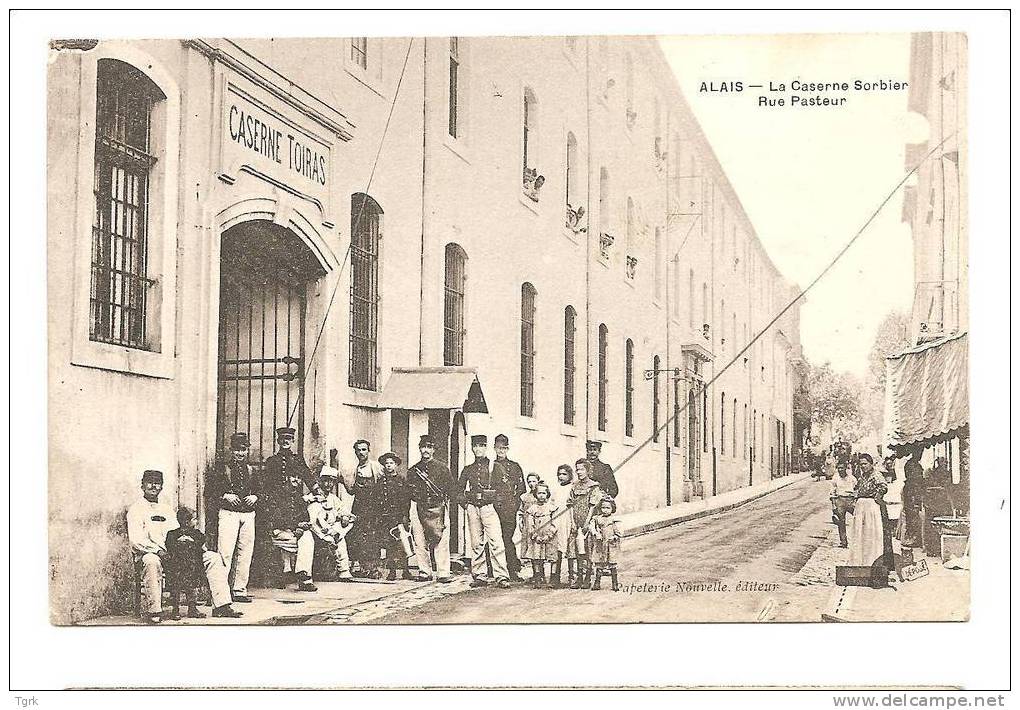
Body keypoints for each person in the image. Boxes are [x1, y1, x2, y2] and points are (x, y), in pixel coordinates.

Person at [127, 470, 241, 624]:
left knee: (213, 558)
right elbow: (137, 541)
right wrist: (158, 551)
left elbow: (178, 532)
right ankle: (154, 610)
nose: (154, 486)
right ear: (142, 486)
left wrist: (194, 546)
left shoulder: (166, 508)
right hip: (151, 553)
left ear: (161, 486)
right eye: (150, 482)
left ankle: (222, 605)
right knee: (151, 562)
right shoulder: (136, 510)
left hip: (175, 552)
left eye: (158, 483)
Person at [458, 434, 512, 589]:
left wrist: (496, 503)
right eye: (475, 446)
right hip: (473, 508)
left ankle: (501, 576)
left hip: (489, 507)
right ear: (472, 448)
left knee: (496, 542)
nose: (478, 449)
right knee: (476, 543)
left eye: (481, 446)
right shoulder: (468, 469)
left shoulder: (495, 466)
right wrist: (467, 505)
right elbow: (458, 491)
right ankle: (479, 575)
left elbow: (505, 489)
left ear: (486, 447)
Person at [210, 431, 258, 603]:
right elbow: (211, 492)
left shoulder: (252, 470)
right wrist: (224, 495)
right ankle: (220, 592)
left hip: (248, 515)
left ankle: (239, 590)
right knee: (226, 553)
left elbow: (260, 491)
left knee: (245, 553)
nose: (240, 453)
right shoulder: (222, 468)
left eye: (243, 450)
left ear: (247, 451)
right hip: (228, 514)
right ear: (231, 450)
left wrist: (255, 497)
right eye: (237, 450)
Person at [406, 435, 457, 583]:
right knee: (420, 540)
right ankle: (424, 571)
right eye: (423, 447)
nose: (426, 450)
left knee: (441, 539)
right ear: (420, 449)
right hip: (419, 507)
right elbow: (408, 493)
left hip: (438, 507)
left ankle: (443, 572)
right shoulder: (413, 471)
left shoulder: (442, 469)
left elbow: (451, 490)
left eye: (429, 447)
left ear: (434, 449)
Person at [265, 467, 317, 592]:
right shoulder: (277, 494)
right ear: (287, 478)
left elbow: (305, 515)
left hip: (294, 531)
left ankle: (302, 574)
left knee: (308, 537)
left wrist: (303, 524)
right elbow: (276, 518)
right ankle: (301, 576)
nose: (297, 480)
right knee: (300, 541)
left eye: (299, 478)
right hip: (280, 531)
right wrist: (297, 526)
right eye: (294, 477)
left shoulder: (298, 496)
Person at [848, 453, 890, 583]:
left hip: (871, 507)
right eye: (861, 464)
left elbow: (884, 486)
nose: (863, 466)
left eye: (865, 464)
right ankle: (861, 562)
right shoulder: (862, 476)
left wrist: (877, 497)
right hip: (861, 508)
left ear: (871, 464)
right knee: (860, 535)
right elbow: (857, 489)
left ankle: (872, 562)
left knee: (871, 534)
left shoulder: (876, 475)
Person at [346, 440, 385, 579]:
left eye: (364, 450)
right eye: (358, 450)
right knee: (358, 537)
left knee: (373, 537)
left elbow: (383, 486)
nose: (361, 453)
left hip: (373, 507)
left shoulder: (376, 467)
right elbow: (351, 491)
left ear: (369, 451)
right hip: (359, 507)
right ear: (355, 452)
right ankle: (363, 568)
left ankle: (374, 569)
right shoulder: (355, 470)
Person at [306, 472, 355, 582]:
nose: (328, 484)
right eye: (326, 481)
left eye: (331, 482)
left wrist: (344, 516)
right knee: (331, 539)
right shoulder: (313, 497)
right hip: (318, 531)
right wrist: (327, 533)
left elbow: (343, 510)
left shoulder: (333, 498)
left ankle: (344, 570)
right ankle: (333, 570)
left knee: (340, 538)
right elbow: (313, 520)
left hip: (333, 530)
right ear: (319, 482)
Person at [492, 434, 527, 582]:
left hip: (509, 508)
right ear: (494, 448)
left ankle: (512, 569)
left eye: (504, 448)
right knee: (494, 539)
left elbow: (521, 489)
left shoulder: (514, 466)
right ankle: (493, 570)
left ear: (507, 449)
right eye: (498, 447)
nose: (501, 450)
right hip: (493, 507)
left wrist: (514, 504)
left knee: (507, 538)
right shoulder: (490, 466)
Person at [164, 507, 209, 620]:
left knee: (191, 587)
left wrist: (191, 542)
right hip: (177, 568)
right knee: (176, 586)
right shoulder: (172, 534)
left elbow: (201, 544)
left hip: (192, 568)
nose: (196, 521)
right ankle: (175, 610)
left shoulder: (196, 534)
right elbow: (169, 546)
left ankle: (192, 609)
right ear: (186, 522)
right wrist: (180, 542)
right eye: (194, 519)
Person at [567, 458, 605, 589]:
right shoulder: (574, 486)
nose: (579, 472)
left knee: (588, 550)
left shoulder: (594, 486)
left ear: (588, 470)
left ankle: (588, 577)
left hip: (588, 522)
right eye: (577, 469)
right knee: (578, 551)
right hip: (576, 522)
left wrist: (587, 522)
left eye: (582, 469)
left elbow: (593, 506)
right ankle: (579, 577)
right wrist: (572, 522)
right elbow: (570, 505)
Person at [376, 452, 414, 581]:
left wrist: (405, 516)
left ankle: (406, 570)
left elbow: (406, 499)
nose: (389, 466)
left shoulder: (401, 480)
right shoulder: (381, 481)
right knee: (389, 545)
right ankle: (392, 571)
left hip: (399, 516)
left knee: (403, 542)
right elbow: (378, 499)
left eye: (391, 463)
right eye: (386, 463)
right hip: (386, 517)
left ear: (396, 465)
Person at [521, 482, 560, 588]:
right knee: (536, 557)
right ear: (535, 494)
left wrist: (549, 535)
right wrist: (535, 536)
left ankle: (552, 578)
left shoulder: (552, 508)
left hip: (550, 538)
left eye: (544, 493)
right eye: (539, 493)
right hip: (537, 538)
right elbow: (530, 525)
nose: (541, 495)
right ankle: (538, 578)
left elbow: (555, 523)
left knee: (552, 558)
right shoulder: (532, 509)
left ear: (547, 494)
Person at [547, 464, 574, 588]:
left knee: (570, 548)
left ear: (570, 475)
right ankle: (555, 577)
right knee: (557, 547)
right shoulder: (556, 489)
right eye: (560, 474)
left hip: (569, 518)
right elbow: (551, 505)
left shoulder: (572, 488)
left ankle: (572, 576)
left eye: (564, 474)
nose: (561, 476)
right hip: (558, 519)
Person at [588, 496, 622, 591]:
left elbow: (620, 532)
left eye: (608, 508)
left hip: (611, 545)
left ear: (612, 509)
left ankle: (615, 584)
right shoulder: (597, 519)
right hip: (600, 544)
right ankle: (597, 583)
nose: (605, 510)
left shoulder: (614, 520)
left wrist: (614, 537)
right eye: (603, 507)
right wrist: (596, 533)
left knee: (612, 564)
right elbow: (591, 526)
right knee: (599, 564)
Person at [830, 462, 857, 548]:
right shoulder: (835, 478)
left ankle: (859, 540)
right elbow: (832, 492)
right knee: (841, 522)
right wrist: (834, 505)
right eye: (839, 468)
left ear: (846, 468)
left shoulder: (852, 478)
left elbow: (856, 489)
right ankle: (843, 542)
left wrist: (855, 500)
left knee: (858, 518)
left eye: (842, 468)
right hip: (840, 500)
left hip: (850, 500)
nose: (840, 470)